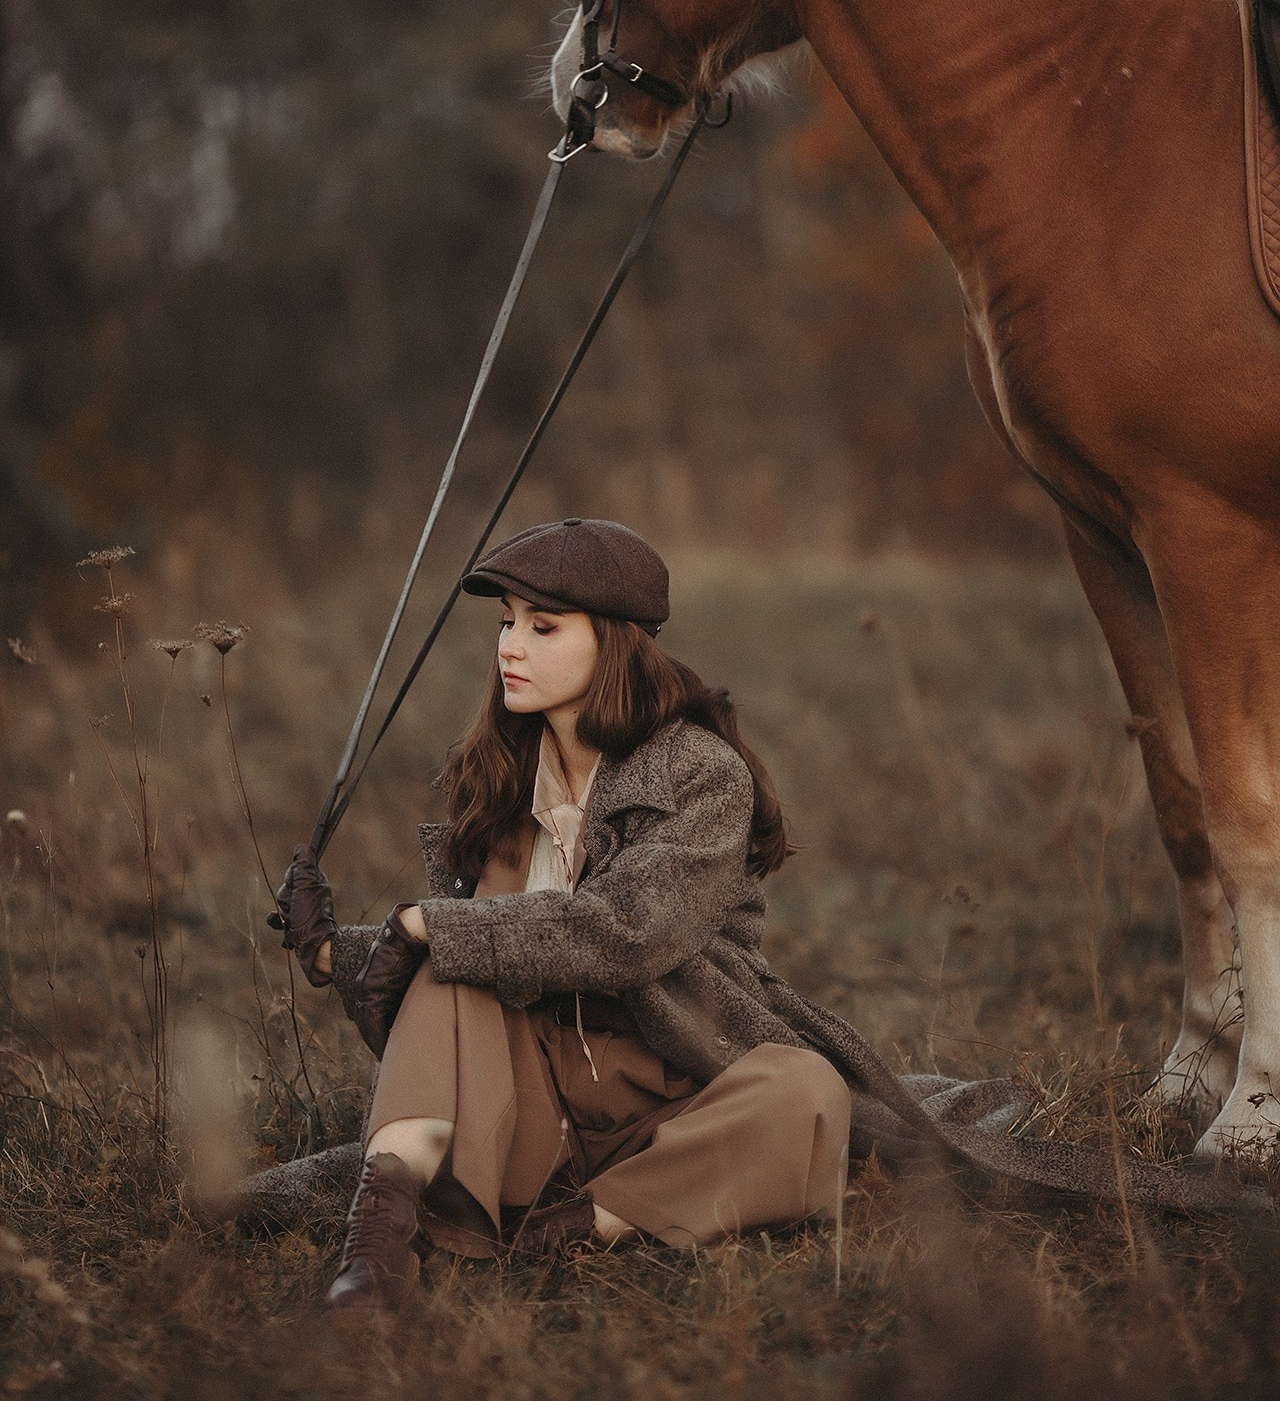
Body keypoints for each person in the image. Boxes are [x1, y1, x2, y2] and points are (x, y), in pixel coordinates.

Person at [263, 518, 1260, 1315]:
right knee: (448, 964)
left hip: (676, 1100)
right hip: (524, 1109)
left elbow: (625, 934)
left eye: (542, 625)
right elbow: (438, 1007)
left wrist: (425, 927)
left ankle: (569, 1232)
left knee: (802, 1093)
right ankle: (375, 1249)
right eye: (506, 622)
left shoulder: (697, 773)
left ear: (614, 640)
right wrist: (329, 952)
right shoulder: (494, 778)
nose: (510, 648)